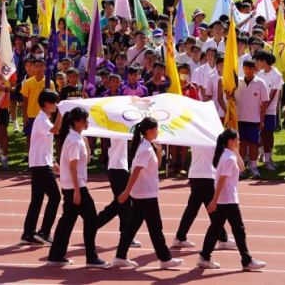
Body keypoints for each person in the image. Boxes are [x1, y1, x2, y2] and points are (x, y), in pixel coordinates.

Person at [113, 117, 183, 269]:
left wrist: (158, 150)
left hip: (143, 193)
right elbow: (136, 171)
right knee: (155, 227)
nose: (158, 132)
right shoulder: (144, 149)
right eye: (156, 129)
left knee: (131, 226)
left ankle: (120, 256)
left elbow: (156, 166)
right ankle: (165, 259)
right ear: (149, 131)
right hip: (145, 194)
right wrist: (126, 191)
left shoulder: (146, 146)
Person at [48, 107, 110, 268]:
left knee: (67, 221)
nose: (88, 122)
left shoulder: (76, 138)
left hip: (71, 186)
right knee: (91, 220)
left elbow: (87, 160)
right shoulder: (74, 140)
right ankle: (91, 257)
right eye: (85, 120)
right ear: (77, 122)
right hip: (76, 186)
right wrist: (77, 190)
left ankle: (55, 255)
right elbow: (73, 167)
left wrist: (85, 139)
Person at [197, 129, 266, 272]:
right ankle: (246, 261)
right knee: (239, 230)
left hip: (225, 198)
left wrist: (236, 151)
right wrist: (214, 201)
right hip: (228, 199)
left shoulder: (227, 154)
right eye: (237, 139)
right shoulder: (228, 158)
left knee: (215, 229)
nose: (239, 142)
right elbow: (222, 180)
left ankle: (204, 257)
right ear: (230, 141)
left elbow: (241, 167)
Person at [21, 89, 61, 245]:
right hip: (41, 164)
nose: (56, 105)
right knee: (55, 197)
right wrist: (62, 114)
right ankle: (44, 232)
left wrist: (53, 161)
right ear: (47, 104)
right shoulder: (42, 119)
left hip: (41, 161)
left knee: (37, 199)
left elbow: (45, 144)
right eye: (55, 103)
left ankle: (28, 233)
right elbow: (56, 131)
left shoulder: (44, 119)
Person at [232, 58, 270, 179]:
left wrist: (262, 120)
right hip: (239, 119)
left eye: (250, 68)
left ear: (255, 69)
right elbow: (230, 97)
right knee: (241, 144)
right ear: (243, 69)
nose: (248, 71)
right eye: (246, 68)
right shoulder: (237, 82)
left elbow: (264, 103)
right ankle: (241, 168)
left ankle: (253, 167)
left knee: (254, 144)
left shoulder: (260, 83)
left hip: (254, 119)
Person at [255, 50, 282, 171]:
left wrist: (264, 107)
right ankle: (263, 157)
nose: (257, 63)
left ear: (264, 61)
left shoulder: (277, 75)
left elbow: (273, 94)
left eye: (258, 61)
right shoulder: (259, 74)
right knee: (262, 134)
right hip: (258, 109)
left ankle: (268, 159)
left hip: (269, 110)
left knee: (269, 134)